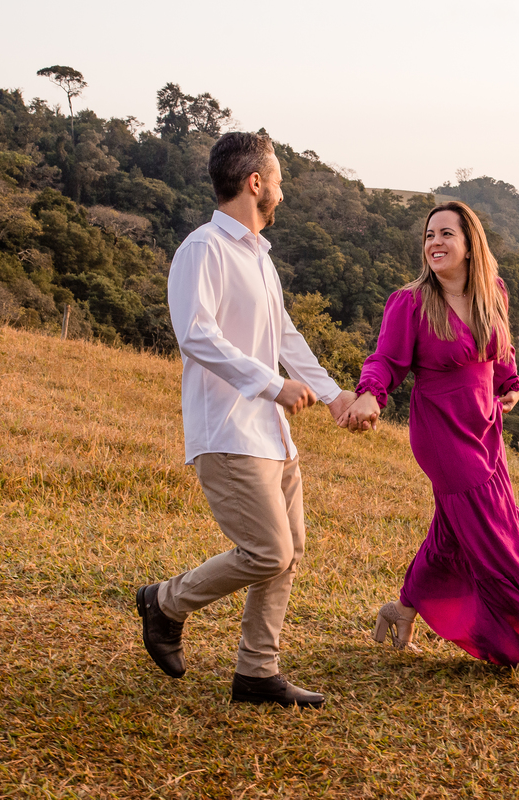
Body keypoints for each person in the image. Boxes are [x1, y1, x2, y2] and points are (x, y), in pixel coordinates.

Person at [136, 131, 355, 708]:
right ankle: (164, 603)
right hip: (230, 429)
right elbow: (196, 335)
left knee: (290, 550)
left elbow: (284, 335)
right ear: (256, 183)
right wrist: (272, 385)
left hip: (273, 436)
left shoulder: (260, 257)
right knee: (268, 551)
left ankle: (257, 672)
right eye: (278, 178)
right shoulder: (203, 248)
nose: (282, 190)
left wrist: (333, 395)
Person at [340, 201, 519, 667]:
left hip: (485, 424)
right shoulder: (410, 302)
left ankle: (403, 608)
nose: (435, 243)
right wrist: (370, 395)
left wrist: (509, 383)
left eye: (446, 234)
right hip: (441, 430)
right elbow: (386, 359)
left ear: (470, 244)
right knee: (493, 532)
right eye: (429, 235)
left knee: (453, 530)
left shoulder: (494, 292)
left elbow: (501, 347)